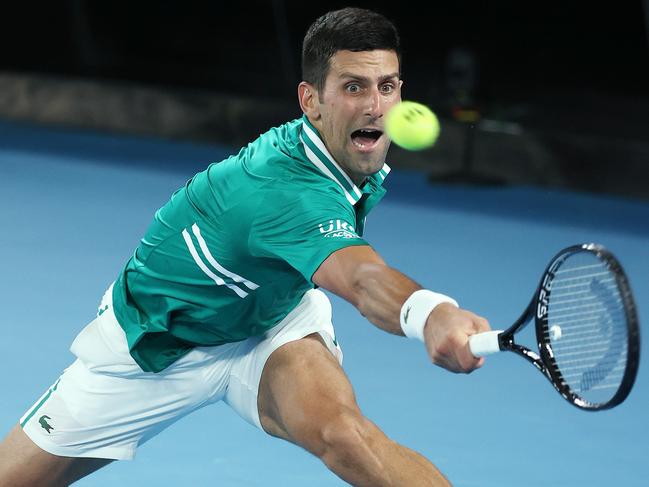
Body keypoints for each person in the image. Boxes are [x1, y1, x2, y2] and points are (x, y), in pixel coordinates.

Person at [0, 7, 490, 486]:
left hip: (269, 316)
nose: (374, 106)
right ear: (310, 100)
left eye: (387, 86)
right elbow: (362, 279)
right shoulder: (287, 192)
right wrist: (429, 313)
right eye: (353, 87)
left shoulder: (344, 153)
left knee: (345, 437)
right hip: (161, 341)